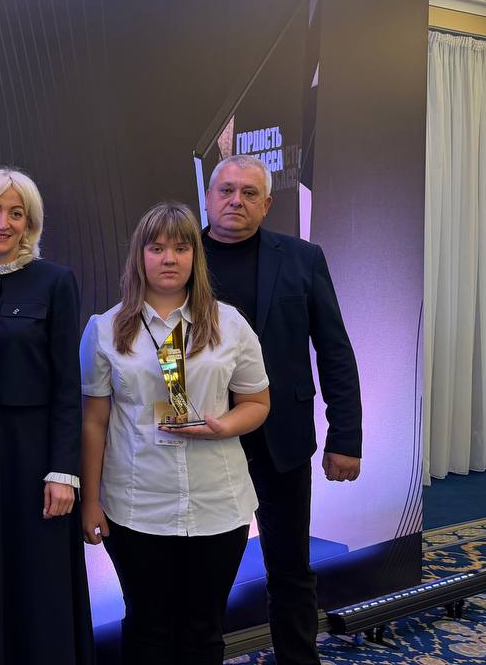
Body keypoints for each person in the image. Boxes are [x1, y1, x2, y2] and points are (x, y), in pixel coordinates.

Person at [80, 200, 271, 665]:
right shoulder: (105, 330)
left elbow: (257, 403)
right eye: (157, 248)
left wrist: (223, 426)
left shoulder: (230, 324)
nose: (169, 258)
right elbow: (94, 421)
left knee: (204, 629)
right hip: (136, 507)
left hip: (218, 506)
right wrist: (90, 500)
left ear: (195, 257)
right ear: (139, 256)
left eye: (182, 248)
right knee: (147, 627)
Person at [200, 154, 361, 665]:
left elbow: (334, 350)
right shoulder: (177, 258)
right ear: (208, 197)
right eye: (226, 190)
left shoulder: (302, 258)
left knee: (290, 569)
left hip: (281, 439)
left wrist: (345, 437)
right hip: (202, 440)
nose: (236, 201)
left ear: (267, 204)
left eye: (249, 193)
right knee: (203, 576)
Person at [0, 168, 93, 664]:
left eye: (17, 213)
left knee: (39, 582)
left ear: (30, 223)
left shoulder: (55, 282)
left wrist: (63, 471)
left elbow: (67, 386)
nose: (3, 223)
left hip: (35, 461)